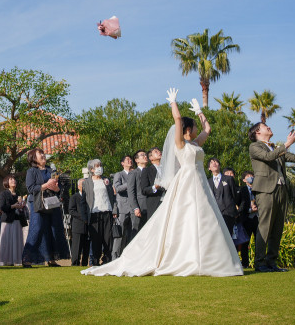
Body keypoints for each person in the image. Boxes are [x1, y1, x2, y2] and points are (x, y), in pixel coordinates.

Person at [82, 88, 243, 277]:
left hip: (199, 182)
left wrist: (200, 112)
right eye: (194, 127)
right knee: (186, 216)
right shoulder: (181, 144)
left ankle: (210, 258)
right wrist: (173, 103)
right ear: (188, 130)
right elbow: (177, 121)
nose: (198, 130)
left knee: (206, 217)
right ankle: (184, 258)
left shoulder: (196, 144)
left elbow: (208, 129)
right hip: (187, 181)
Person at [248, 123, 295, 272]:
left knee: (277, 228)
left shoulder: (276, 148)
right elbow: (268, 157)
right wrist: (286, 144)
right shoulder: (255, 146)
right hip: (265, 191)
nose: (269, 127)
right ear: (257, 131)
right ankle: (260, 263)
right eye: (265, 126)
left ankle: (271, 262)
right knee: (265, 227)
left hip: (281, 190)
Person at [22, 148, 70, 267]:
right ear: (34, 158)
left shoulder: (51, 170)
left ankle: (51, 259)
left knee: (52, 229)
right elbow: (31, 189)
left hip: (52, 202)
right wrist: (46, 185)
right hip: (37, 203)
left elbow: (60, 187)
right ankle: (26, 258)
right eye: (40, 154)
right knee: (37, 228)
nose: (43, 155)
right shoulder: (31, 171)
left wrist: (57, 189)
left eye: (43, 153)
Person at [83, 159, 117, 265]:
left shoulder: (106, 180)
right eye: (97, 166)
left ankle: (107, 259)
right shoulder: (87, 182)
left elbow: (112, 196)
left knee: (108, 237)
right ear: (91, 169)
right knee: (96, 238)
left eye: (100, 166)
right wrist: (84, 216)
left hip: (107, 211)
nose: (99, 168)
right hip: (94, 213)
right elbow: (83, 200)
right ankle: (95, 260)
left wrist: (114, 210)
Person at [0, 175, 26, 266]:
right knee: (7, 242)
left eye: (14, 179)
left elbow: (21, 208)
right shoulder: (4, 194)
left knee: (16, 241)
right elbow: (2, 207)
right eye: (11, 179)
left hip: (17, 220)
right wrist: (13, 206)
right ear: (7, 182)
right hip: (7, 221)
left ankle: (16, 260)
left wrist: (22, 206)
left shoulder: (18, 195)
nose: (13, 180)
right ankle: (6, 261)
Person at [207, 159, 239, 234]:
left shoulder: (229, 179)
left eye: (216, 162)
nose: (214, 163)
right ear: (209, 168)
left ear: (220, 166)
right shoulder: (208, 182)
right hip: (214, 214)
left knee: (228, 236)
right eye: (211, 162)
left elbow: (234, 195)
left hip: (228, 213)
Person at [112, 155, 134, 258]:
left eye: (130, 159)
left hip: (134, 208)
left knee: (131, 234)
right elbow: (117, 188)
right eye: (127, 160)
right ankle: (115, 257)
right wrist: (129, 183)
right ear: (122, 163)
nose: (130, 161)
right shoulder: (119, 175)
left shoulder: (135, 173)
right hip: (123, 208)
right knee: (119, 235)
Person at [237, 171, 258, 268]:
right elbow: (240, 205)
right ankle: (245, 263)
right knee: (245, 242)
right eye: (248, 176)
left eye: (252, 176)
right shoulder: (242, 190)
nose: (250, 178)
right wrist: (249, 210)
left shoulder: (258, 189)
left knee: (259, 241)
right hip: (247, 219)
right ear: (244, 180)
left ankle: (259, 262)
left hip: (257, 218)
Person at [139, 147, 166, 220]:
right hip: (156, 203)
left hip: (168, 200)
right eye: (156, 152)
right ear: (151, 158)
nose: (160, 152)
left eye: (159, 151)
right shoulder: (147, 170)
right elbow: (144, 190)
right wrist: (155, 187)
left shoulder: (167, 169)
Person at [68, 179, 90, 266]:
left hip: (87, 226)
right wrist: (82, 217)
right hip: (78, 226)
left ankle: (84, 263)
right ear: (78, 187)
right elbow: (71, 210)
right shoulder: (74, 197)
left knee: (86, 247)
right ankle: (75, 263)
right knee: (76, 247)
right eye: (82, 185)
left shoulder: (89, 197)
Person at [127, 150, 148, 236]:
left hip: (150, 206)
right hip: (139, 207)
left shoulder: (150, 171)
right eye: (142, 155)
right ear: (136, 160)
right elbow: (131, 191)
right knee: (137, 233)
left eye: (146, 155)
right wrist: (135, 207)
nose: (145, 156)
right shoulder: (133, 173)